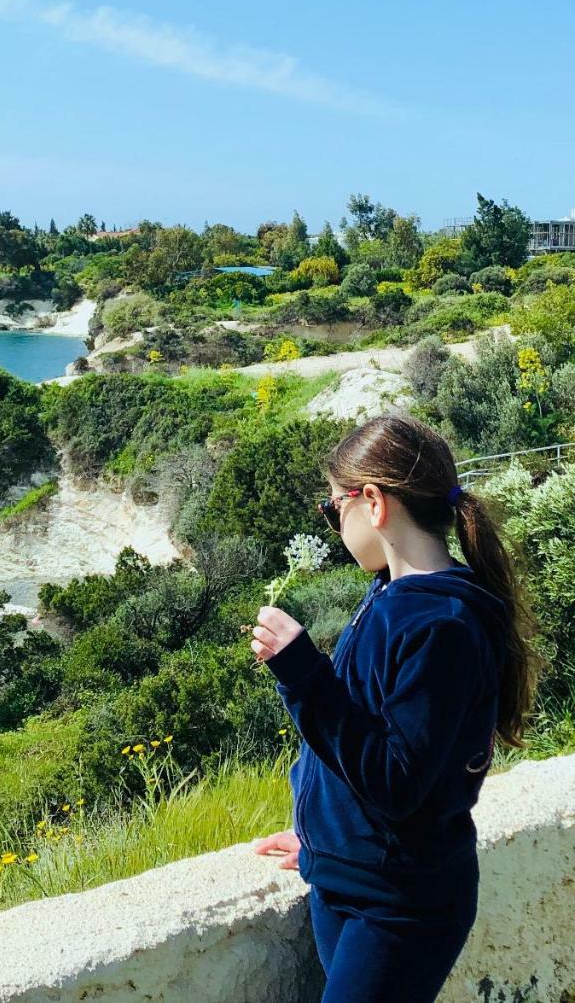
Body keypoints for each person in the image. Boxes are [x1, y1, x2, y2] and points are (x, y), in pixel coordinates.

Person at [247, 412, 543, 1002]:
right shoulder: (392, 594)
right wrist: (323, 833)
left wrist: (304, 673)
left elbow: (397, 779)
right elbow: (371, 735)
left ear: (374, 502)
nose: (334, 525)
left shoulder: (442, 625)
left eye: (335, 508)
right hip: (352, 879)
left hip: (400, 904)